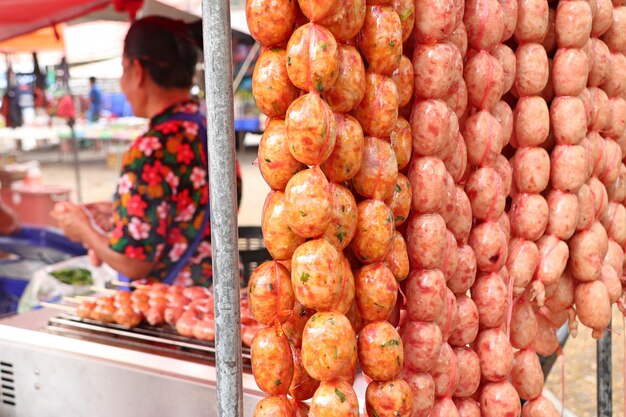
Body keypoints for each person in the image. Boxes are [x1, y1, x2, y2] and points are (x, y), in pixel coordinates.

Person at [51, 16, 242, 288]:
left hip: (175, 307)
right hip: (227, 294)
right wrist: (122, 210)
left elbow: (133, 263)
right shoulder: (212, 130)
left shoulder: (151, 149)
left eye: (122, 69)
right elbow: (184, 206)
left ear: (137, 70)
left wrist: (84, 228)